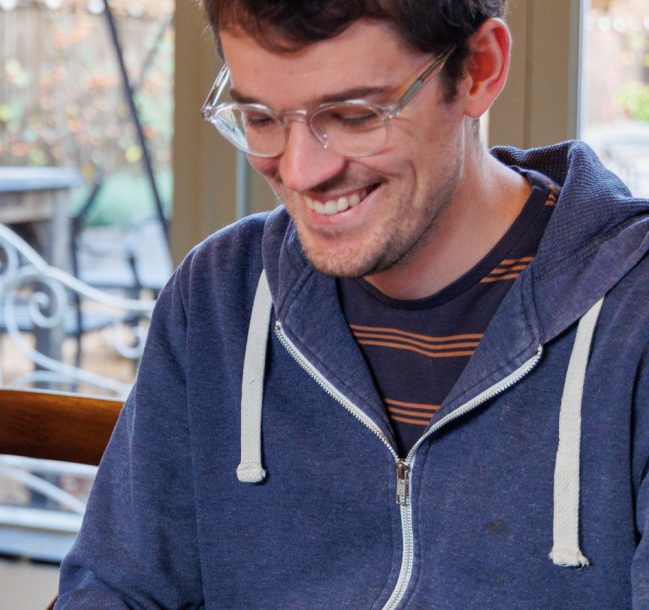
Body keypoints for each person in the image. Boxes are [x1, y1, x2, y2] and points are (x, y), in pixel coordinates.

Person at [57, 0, 649, 607]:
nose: (302, 171)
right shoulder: (218, 297)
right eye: (260, 117)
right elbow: (113, 590)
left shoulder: (635, 319)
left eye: (353, 114)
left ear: (478, 69)